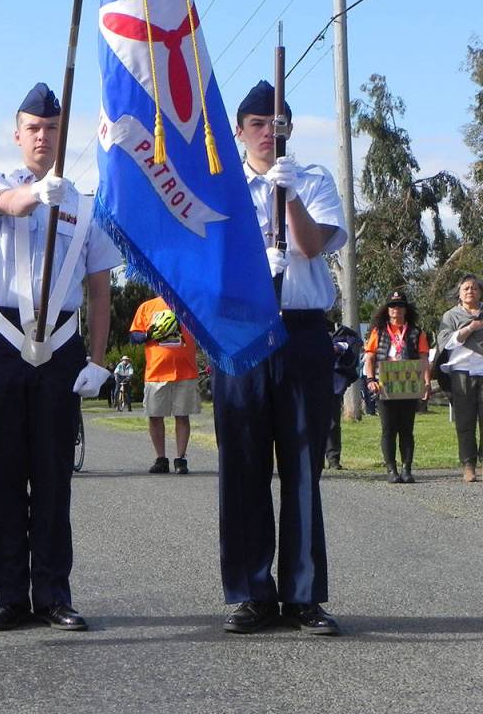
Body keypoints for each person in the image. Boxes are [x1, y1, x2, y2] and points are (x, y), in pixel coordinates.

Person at [0, 82, 120, 632]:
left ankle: (54, 592)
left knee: (54, 476)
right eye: (33, 128)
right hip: (5, 342)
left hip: (61, 346)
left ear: (62, 136)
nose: (42, 136)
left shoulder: (86, 208)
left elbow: (101, 288)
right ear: (17, 135)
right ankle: (10, 594)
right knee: (4, 474)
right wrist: (37, 195)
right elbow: (4, 204)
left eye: (52, 128)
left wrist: (100, 359)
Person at [214, 81, 347, 636]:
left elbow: (315, 245)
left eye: (279, 124)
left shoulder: (313, 180)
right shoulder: (221, 187)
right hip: (243, 331)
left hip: (300, 331)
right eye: (258, 124)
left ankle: (302, 593)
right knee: (242, 466)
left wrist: (288, 197)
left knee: (300, 466)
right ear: (240, 131)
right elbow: (206, 263)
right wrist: (248, 263)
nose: (270, 133)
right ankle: (251, 592)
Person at [364, 291, 430, 483]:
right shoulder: (379, 331)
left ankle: (407, 468)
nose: (396, 310)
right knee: (388, 428)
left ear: (406, 309)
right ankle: (391, 469)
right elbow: (370, 356)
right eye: (393, 306)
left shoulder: (417, 332)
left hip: (409, 384)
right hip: (385, 385)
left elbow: (424, 358)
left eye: (400, 306)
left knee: (407, 429)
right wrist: (370, 380)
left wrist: (426, 382)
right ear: (387, 309)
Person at [129, 297, 200, 475]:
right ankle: (161, 459)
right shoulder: (147, 307)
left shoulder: (189, 303)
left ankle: (180, 459)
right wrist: (148, 335)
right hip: (156, 371)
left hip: (185, 370)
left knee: (182, 416)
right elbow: (134, 336)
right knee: (154, 416)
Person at [437, 274, 483, 483]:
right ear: (459, 293)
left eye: (474, 288)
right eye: (466, 288)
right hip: (462, 372)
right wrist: (471, 328)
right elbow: (447, 343)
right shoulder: (451, 316)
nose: (470, 291)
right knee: (465, 421)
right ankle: (468, 464)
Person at [324, 321, 363, 470]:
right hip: (309, 384)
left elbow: (341, 348)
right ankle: (314, 458)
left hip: (331, 386)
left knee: (333, 423)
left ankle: (333, 459)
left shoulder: (340, 340)